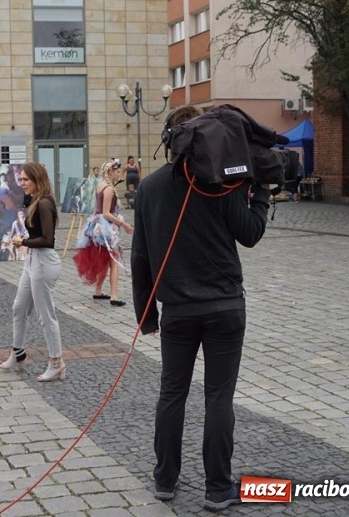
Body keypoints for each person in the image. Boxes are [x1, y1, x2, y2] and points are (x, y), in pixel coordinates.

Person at [131, 105, 271, 511]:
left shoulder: (150, 188)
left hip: (176, 310)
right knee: (218, 398)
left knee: (171, 394)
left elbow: (140, 255)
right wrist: (260, 193)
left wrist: (146, 314)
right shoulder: (219, 182)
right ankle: (217, 488)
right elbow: (250, 234)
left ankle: (164, 480)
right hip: (225, 308)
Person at [0, 163, 64, 382]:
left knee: (46, 315)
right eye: (22, 179)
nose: (22, 183)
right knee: (19, 308)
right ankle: (18, 353)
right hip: (32, 260)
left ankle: (57, 363)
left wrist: (22, 241)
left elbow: (48, 239)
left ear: (37, 180)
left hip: (44, 261)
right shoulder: (35, 200)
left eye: (26, 179)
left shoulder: (45, 203)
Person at [73, 159, 133, 306]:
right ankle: (114, 296)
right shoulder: (109, 189)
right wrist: (124, 224)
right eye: (117, 171)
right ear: (111, 172)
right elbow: (106, 212)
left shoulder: (100, 185)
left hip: (98, 224)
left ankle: (98, 290)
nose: (119, 174)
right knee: (113, 260)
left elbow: (97, 209)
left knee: (105, 258)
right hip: (106, 226)